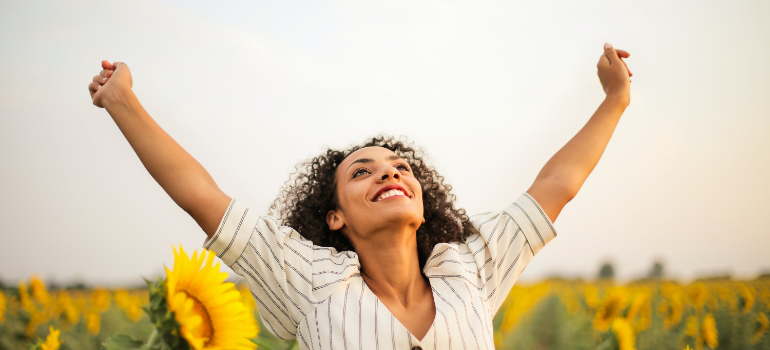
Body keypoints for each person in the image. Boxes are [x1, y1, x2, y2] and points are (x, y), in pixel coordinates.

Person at [87, 42, 632, 350]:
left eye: (400, 168)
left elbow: (555, 188)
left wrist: (615, 99)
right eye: (362, 173)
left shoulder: (468, 267)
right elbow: (202, 196)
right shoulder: (310, 281)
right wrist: (122, 101)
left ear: (422, 204)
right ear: (334, 216)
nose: (388, 174)